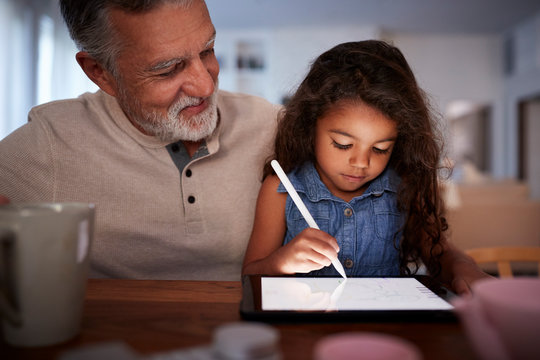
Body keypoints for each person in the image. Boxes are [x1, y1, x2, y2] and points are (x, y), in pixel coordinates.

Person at [0, 0, 280, 280]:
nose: (206, 85)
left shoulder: (272, 125)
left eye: (207, 50)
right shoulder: (50, 143)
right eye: (168, 69)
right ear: (99, 72)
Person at [242, 40, 490, 295]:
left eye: (381, 148)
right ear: (309, 127)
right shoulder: (280, 189)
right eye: (342, 144)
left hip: (383, 329)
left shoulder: (404, 184)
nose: (361, 163)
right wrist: (281, 262)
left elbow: (438, 252)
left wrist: (462, 266)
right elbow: (250, 274)